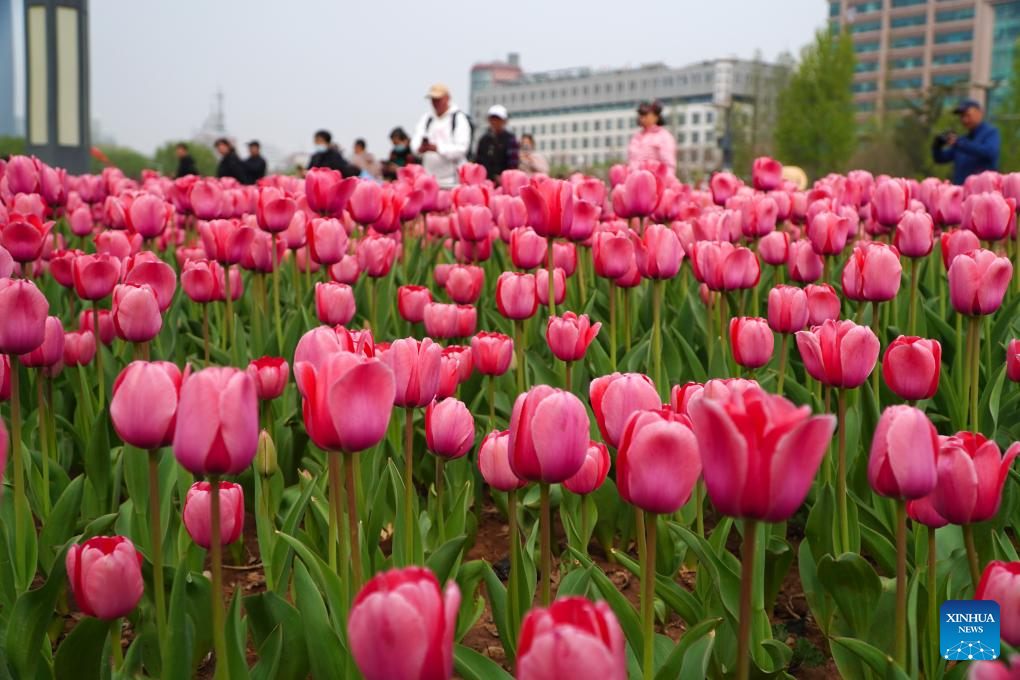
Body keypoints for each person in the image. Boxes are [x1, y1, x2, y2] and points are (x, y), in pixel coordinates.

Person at [411, 83, 473, 188]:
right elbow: (415, 145)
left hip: (453, 182)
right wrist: (421, 148)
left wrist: (437, 148)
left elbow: (462, 148)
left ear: (447, 98)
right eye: (433, 100)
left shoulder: (458, 118)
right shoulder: (427, 119)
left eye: (438, 99)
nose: (435, 103)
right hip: (430, 181)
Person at [932, 99, 1001, 185]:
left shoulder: (990, 133)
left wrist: (959, 143)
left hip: (984, 192)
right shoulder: (963, 140)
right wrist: (937, 146)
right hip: (962, 191)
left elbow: (990, 152)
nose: (964, 120)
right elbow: (940, 159)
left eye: (968, 115)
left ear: (979, 113)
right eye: (962, 116)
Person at [627, 100, 676, 176]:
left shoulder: (664, 136)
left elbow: (669, 165)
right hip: (636, 180)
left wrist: (667, 182)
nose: (642, 118)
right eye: (641, 114)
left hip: (655, 181)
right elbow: (631, 163)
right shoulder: (636, 137)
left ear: (656, 116)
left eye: (645, 114)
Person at [475, 105, 519, 182]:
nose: (495, 121)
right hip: (486, 180)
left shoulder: (510, 139)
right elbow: (479, 161)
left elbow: (513, 164)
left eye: (498, 119)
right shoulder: (484, 139)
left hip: (505, 181)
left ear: (504, 121)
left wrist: (504, 178)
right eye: (493, 118)